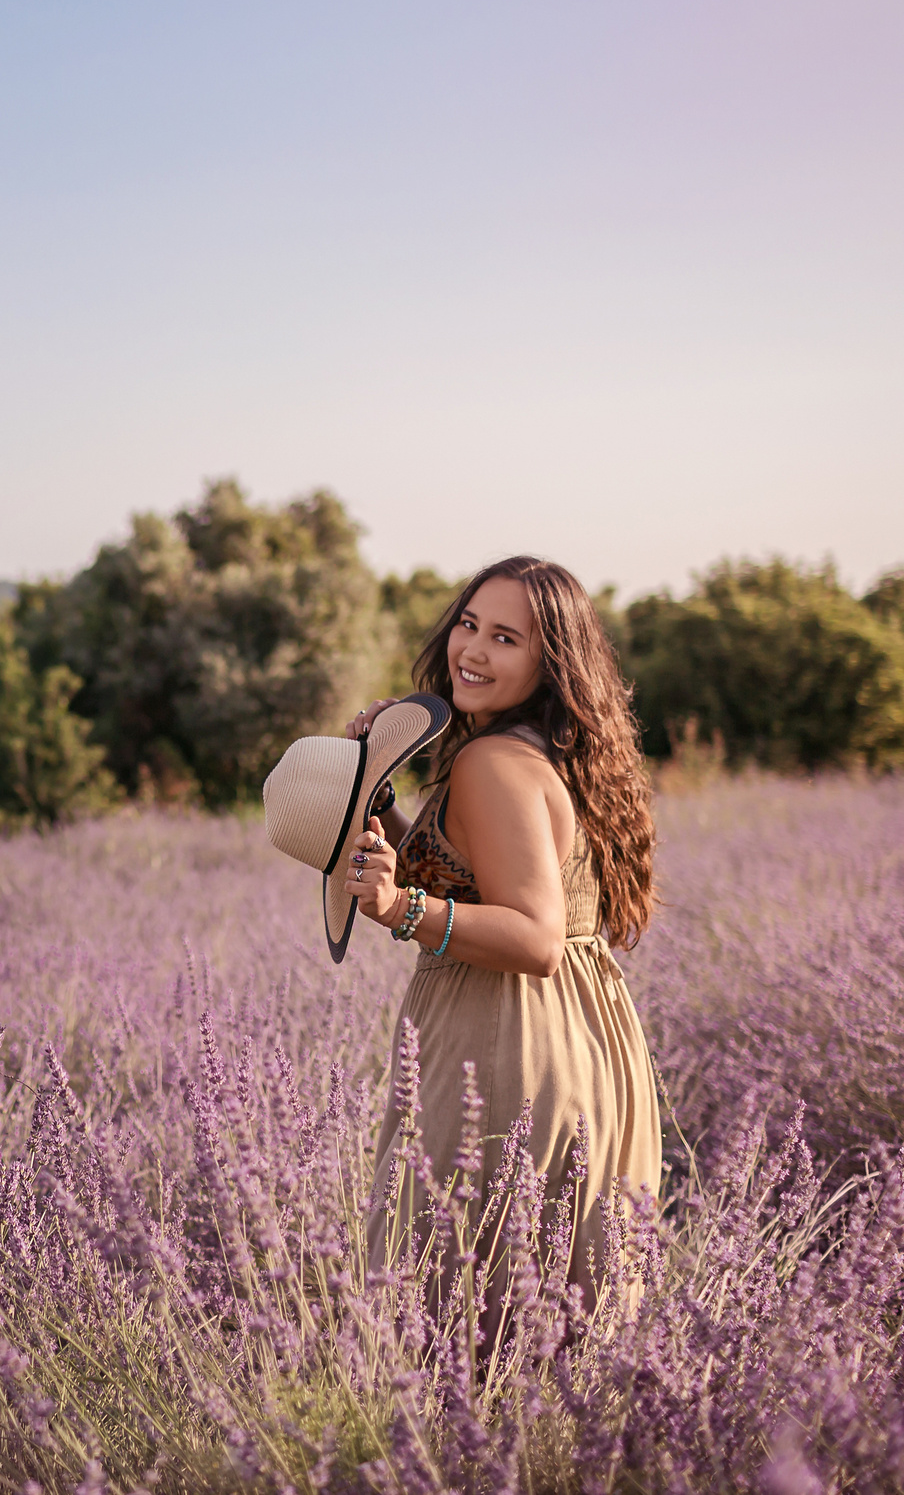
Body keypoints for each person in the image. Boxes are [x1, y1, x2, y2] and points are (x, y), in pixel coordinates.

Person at [338, 554, 661, 1311]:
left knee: (453, 1326)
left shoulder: (489, 761)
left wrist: (398, 911)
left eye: (506, 638)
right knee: (554, 1343)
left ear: (552, 662)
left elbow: (533, 936)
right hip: (585, 1052)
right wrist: (377, 794)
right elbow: (477, 878)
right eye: (469, 624)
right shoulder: (548, 753)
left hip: (506, 1052)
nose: (473, 650)